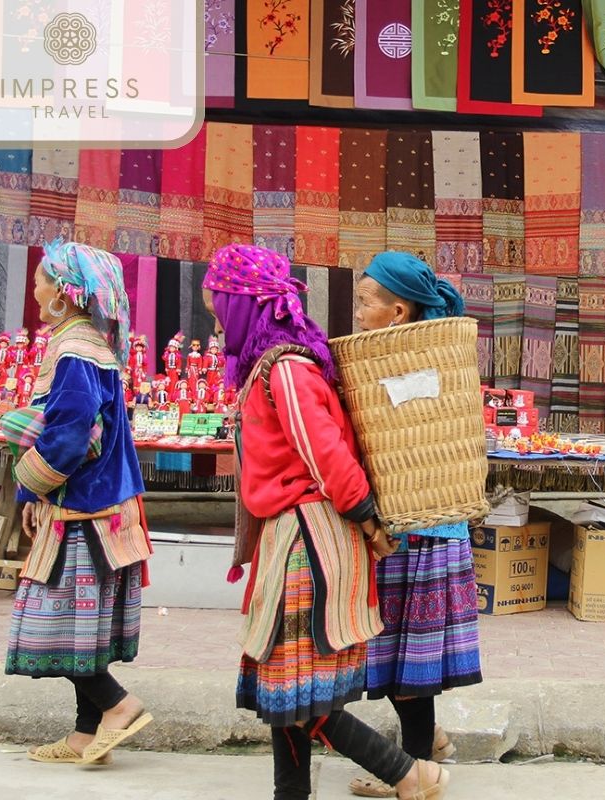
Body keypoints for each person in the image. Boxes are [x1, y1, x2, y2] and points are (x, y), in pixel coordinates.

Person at [201, 244, 448, 800]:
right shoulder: (274, 364)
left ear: (243, 303)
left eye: (217, 303)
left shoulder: (286, 368)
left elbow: (326, 452)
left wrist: (364, 515)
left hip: (307, 541)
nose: (214, 316)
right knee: (287, 689)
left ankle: (410, 774)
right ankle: (293, 793)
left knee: (294, 690)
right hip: (290, 535)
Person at [3, 239, 153, 766]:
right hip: (101, 509)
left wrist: (31, 482)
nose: (36, 286)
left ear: (65, 294)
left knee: (57, 623)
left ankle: (119, 706)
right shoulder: (91, 346)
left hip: (83, 511)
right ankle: (85, 736)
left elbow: (69, 434)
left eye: (44, 278)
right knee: (81, 630)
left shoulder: (73, 351)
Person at [347, 252, 482, 799]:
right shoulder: (426, 352)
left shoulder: (412, 361)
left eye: (364, 301)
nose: (356, 313)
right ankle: (431, 742)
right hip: (426, 526)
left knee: (410, 661)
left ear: (397, 312)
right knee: (409, 654)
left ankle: (418, 768)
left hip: (420, 530)